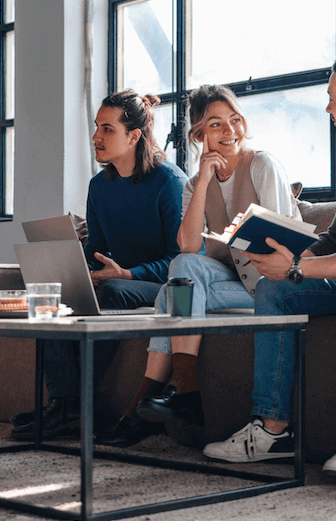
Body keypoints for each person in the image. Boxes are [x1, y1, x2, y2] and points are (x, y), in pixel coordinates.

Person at [203, 51, 336, 481]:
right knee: (272, 290)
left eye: (332, 98)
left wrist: (299, 268)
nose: (327, 108)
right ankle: (271, 430)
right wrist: (288, 254)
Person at [96, 84, 300, 448]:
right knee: (183, 269)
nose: (231, 131)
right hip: (237, 284)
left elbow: (284, 243)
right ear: (198, 135)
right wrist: (205, 179)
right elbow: (188, 246)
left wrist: (234, 241)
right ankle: (184, 386)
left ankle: (151, 402)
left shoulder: (261, 165)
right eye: (217, 125)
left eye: (235, 120)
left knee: (172, 294)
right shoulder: (194, 184)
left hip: (274, 286)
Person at [10, 90, 188, 440]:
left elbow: (179, 259)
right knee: (52, 296)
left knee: (115, 290)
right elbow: (96, 248)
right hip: (115, 278)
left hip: (162, 285)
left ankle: (70, 406)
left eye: (107, 129)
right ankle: (66, 402)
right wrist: (75, 270)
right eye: (96, 127)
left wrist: (127, 273)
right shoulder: (99, 185)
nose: (96, 137)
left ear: (134, 136)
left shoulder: (170, 182)